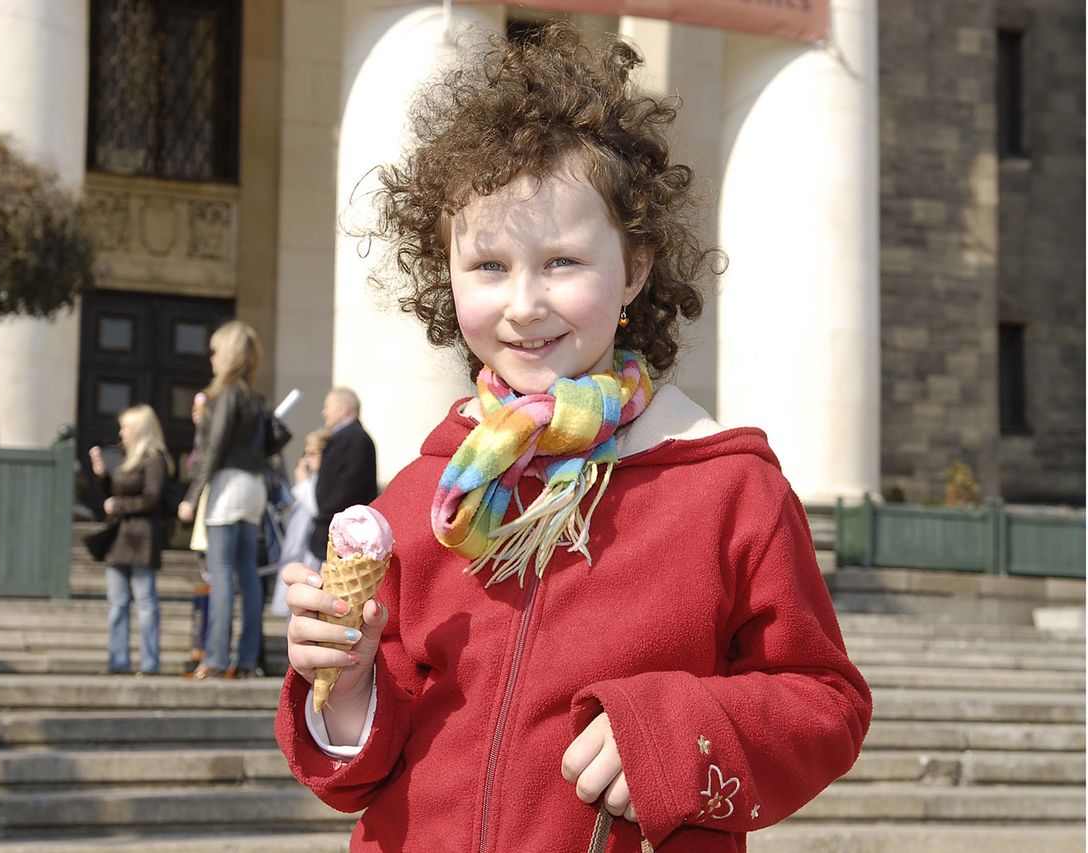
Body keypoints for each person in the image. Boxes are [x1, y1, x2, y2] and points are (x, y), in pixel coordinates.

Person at [275, 25, 872, 852]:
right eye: (488, 265)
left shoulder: (728, 485)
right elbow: (363, 768)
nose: (524, 302)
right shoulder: (420, 495)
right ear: (445, 273)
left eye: (561, 261)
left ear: (634, 268)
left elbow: (825, 702)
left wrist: (679, 733)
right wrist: (343, 680)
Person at [178, 320, 290, 680]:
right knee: (247, 574)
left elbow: (213, 448)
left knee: (222, 573)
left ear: (227, 355)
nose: (211, 358)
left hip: (227, 485)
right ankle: (244, 661)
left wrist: (192, 496)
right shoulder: (253, 396)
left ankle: (214, 657)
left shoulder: (225, 394)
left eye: (215, 351)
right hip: (253, 486)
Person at [89, 404, 172, 676]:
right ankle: (118, 660)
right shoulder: (128, 459)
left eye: (125, 427)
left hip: (141, 539)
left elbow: (152, 498)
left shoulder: (154, 458)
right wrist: (102, 477)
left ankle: (149, 663)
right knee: (117, 602)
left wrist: (118, 506)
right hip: (120, 539)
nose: (121, 433)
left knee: (145, 603)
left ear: (138, 429)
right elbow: (113, 494)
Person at [307, 387, 378, 563]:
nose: (324, 412)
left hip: (342, 533)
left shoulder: (354, 439)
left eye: (327, 407)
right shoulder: (345, 437)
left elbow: (348, 487)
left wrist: (326, 515)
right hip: (334, 528)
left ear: (343, 409)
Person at [267, 428, 331, 617]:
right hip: (297, 551)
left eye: (313, 454)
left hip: (312, 554)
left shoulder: (324, 481)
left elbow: (318, 509)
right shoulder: (311, 477)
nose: (308, 460)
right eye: (306, 454)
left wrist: (303, 484)